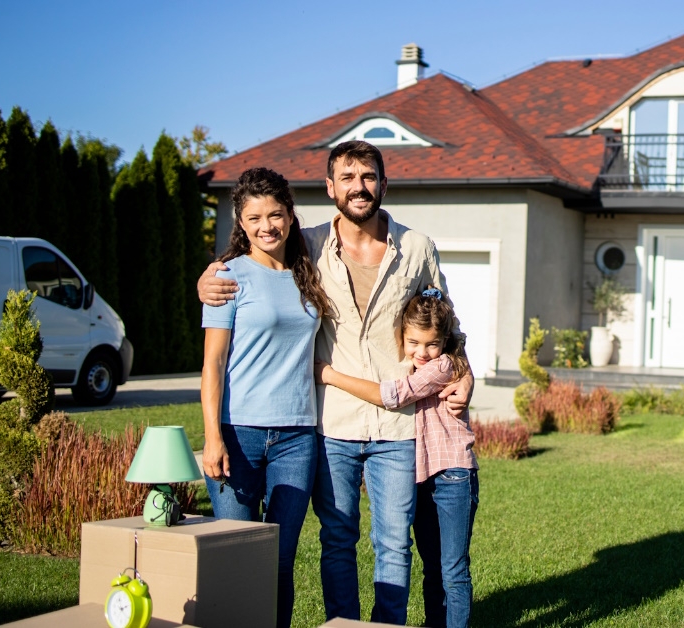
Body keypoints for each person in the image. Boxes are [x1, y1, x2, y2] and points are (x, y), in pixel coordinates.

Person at [197, 140, 474, 625]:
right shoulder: (307, 245)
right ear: (329, 188)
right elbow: (254, 259)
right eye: (346, 178)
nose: (358, 187)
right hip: (332, 425)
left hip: (397, 427)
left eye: (367, 177)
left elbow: (448, 324)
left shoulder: (417, 248)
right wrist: (207, 279)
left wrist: (464, 372)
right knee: (337, 541)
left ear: (383, 184)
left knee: (393, 543)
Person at [199, 167, 329, 628]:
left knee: (280, 560)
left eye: (275, 215)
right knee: (235, 557)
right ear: (241, 221)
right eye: (254, 217)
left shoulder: (306, 271)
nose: (266, 226)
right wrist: (213, 438)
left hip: (297, 436)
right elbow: (212, 364)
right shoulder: (227, 277)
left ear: (291, 218)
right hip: (238, 435)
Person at [317, 287, 479, 628]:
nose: (422, 352)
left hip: (452, 475)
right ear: (403, 337)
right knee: (433, 567)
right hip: (423, 477)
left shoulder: (442, 365)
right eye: (414, 343)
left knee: (452, 569)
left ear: (444, 341)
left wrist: (329, 375)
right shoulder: (419, 364)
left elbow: (392, 396)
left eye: (431, 343)